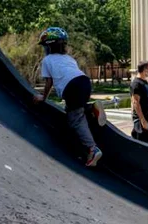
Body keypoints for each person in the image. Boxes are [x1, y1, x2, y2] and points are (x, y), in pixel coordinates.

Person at [33, 27, 106, 167]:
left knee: (75, 119)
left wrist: (43, 97)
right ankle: (92, 108)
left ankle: (92, 149)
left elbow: (49, 81)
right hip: (84, 82)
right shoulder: (69, 58)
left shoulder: (47, 60)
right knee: (76, 108)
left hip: (71, 87)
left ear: (48, 46)